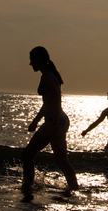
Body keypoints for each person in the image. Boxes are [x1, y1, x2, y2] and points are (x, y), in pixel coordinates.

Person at [22, 46, 78, 199]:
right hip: (58, 119)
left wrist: (54, 125)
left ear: (39, 59)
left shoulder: (47, 76)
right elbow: (47, 102)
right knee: (61, 161)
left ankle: (27, 187)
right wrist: (36, 121)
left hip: (55, 120)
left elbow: (55, 101)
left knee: (27, 155)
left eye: (32, 60)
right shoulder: (50, 74)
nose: (30, 64)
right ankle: (74, 188)